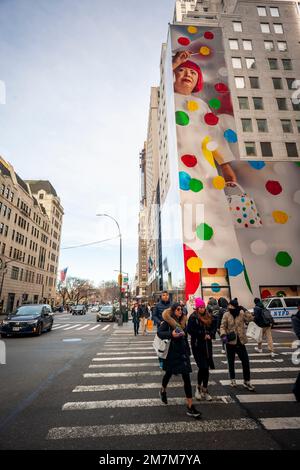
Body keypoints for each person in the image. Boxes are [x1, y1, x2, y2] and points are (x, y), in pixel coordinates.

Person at [172, 50, 237, 185]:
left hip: (204, 164)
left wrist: (225, 165)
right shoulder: (166, 99)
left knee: (209, 197)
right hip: (176, 164)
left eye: (193, 72)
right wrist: (176, 62)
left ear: (197, 82)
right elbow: (159, 81)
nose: (187, 74)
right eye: (181, 70)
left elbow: (215, 134)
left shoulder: (202, 105)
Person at [158, 302, 201, 419]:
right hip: (172, 354)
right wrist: (171, 334)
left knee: (186, 378)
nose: (180, 311)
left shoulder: (183, 321)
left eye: (181, 309)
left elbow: (185, 335)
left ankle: (190, 406)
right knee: (168, 373)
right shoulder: (167, 321)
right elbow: (159, 333)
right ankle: (163, 390)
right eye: (178, 309)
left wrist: (187, 350)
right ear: (173, 311)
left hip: (182, 353)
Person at [220, 298, 255, 391]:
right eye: (229, 305)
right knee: (231, 362)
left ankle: (247, 381)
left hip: (241, 342)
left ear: (235, 306)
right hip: (230, 342)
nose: (230, 307)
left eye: (231, 306)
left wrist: (245, 310)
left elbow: (251, 318)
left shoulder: (241, 313)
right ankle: (233, 379)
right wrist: (223, 335)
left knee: (245, 361)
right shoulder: (226, 314)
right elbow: (222, 326)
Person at [187, 298, 216, 401]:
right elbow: (189, 330)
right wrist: (202, 335)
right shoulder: (193, 317)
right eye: (200, 307)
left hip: (207, 345)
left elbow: (213, 328)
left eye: (203, 307)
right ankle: (198, 388)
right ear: (197, 308)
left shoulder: (209, 316)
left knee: (206, 368)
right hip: (197, 345)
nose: (202, 309)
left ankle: (205, 389)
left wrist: (210, 335)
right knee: (202, 367)